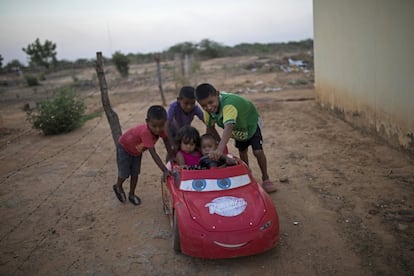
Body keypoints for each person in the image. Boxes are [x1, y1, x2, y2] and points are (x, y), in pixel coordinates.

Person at [195, 83, 277, 193]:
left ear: (217, 94)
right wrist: (210, 147)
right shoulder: (208, 113)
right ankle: (247, 175)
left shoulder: (228, 104)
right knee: (242, 151)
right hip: (238, 130)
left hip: (250, 124)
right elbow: (210, 129)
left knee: (257, 151)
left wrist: (219, 150)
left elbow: (228, 127)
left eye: (211, 102)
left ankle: (266, 178)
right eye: (204, 106)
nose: (208, 107)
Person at [112, 105, 172, 205]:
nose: (157, 129)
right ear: (147, 121)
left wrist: (172, 156)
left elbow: (166, 141)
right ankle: (118, 186)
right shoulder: (146, 133)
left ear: (165, 122)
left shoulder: (161, 129)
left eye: (161, 126)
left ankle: (131, 194)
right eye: (154, 126)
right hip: (124, 148)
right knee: (124, 173)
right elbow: (154, 154)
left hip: (137, 151)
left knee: (135, 173)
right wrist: (165, 170)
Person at [167, 86, 204, 150]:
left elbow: (206, 121)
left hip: (185, 132)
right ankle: (169, 159)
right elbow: (166, 125)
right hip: (172, 132)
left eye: (192, 103)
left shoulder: (195, 108)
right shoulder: (174, 106)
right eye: (186, 103)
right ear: (179, 100)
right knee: (173, 151)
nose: (189, 106)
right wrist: (173, 144)